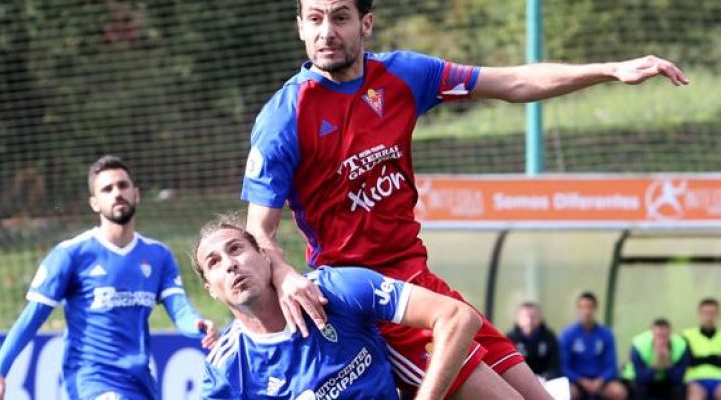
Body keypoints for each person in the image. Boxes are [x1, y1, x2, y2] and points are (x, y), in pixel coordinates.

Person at [240, 0, 688, 398]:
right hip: (371, 299)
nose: (326, 32)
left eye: (340, 17)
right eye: (314, 19)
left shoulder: (402, 75)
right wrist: (285, 274)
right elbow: (259, 231)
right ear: (299, 26)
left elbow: (514, 82)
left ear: (366, 23)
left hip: (422, 281)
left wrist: (608, 70)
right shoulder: (284, 117)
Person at [191, 215, 531, 400]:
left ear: (265, 256)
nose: (230, 264)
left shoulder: (337, 290)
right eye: (215, 263)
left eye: (236, 249)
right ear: (210, 289)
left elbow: (457, 317)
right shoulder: (227, 369)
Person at [0, 155, 220, 400]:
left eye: (123, 185)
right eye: (107, 189)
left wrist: (199, 326)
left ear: (136, 193)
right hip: (90, 380)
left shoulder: (158, 255)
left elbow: (180, 309)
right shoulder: (71, 254)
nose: (117, 193)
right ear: (94, 203)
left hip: (138, 380)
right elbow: (31, 318)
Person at [560, 292, 628, 400]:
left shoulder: (606, 334)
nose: (586, 312)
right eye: (583, 307)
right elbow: (564, 366)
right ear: (578, 309)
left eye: (590, 307)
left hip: (600, 382)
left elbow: (611, 366)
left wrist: (600, 381)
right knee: (566, 393)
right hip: (577, 383)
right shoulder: (568, 335)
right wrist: (581, 381)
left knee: (618, 392)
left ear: (595, 309)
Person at [621, 318, 688, 400]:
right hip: (640, 380)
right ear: (652, 333)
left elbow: (678, 379)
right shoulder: (639, 345)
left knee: (679, 389)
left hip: (666, 381)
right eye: (658, 336)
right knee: (638, 389)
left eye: (664, 336)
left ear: (670, 334)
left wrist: (667, 363)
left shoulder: (681, 346)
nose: (661, 340)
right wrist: (656, 365)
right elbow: (641, 379)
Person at [506, 302, 561, 381]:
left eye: (533, 317)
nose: (529, 321)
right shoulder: (510, 339)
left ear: (540, 318)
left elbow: (555, 366)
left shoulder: (549, 337)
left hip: (545, 382)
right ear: (518, 319)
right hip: (519, 383)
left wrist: (546, 377)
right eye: (525, 317)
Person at [683, 298, 721, 400]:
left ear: (718, 314)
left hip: (719, 379)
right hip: (695, 379)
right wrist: (713, 358)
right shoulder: (687, 335)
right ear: (699, 314)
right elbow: (689, 361)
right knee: (696, 396)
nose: (709, 317)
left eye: (712, 313)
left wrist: (700, 359)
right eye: (706, 313)